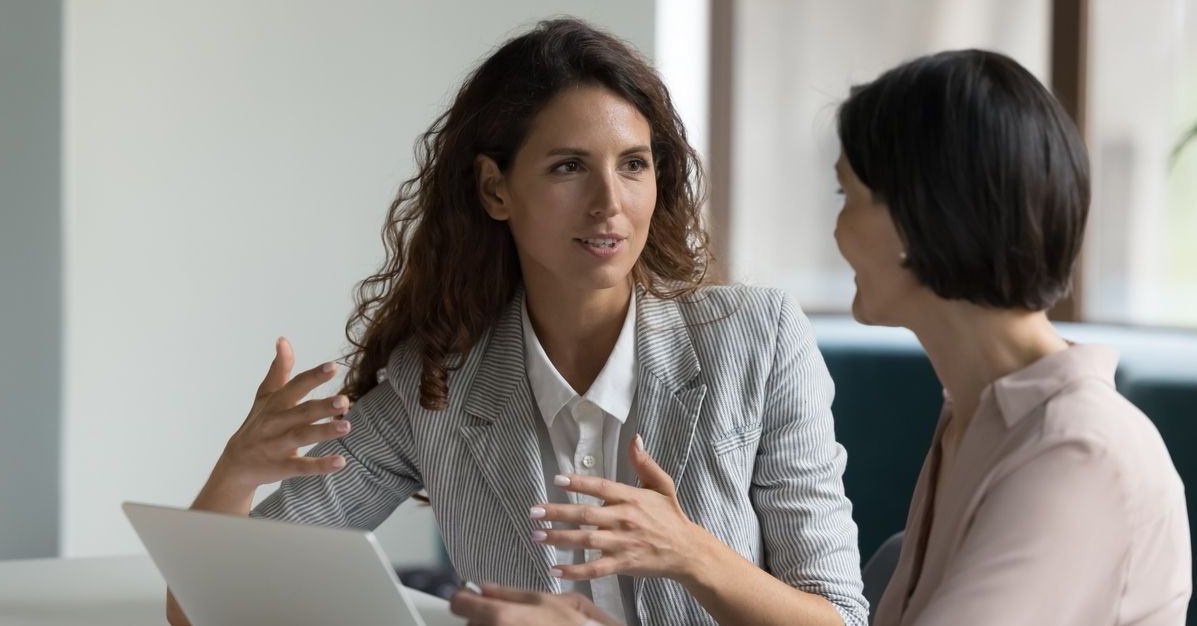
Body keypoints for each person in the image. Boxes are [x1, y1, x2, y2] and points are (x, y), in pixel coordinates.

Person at [166, 18, 868, 626]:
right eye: (568, 167)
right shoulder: (432, 386)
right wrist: (236, 473)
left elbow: (837, 618)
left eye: (633, 165)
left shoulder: (757, 338)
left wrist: (693, 556)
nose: (609, 204)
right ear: (495, 189)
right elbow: (207, 611)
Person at [452, 49, 1192, 626]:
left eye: (848, 196)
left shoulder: (1074, 453)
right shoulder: (976, 422)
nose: (834, 228)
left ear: (918, 220)